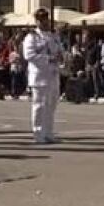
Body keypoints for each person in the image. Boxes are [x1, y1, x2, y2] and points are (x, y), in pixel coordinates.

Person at [23, 8, 63, 144]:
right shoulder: (32, 36)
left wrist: (61, 56)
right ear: (36, 21)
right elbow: (29, 55)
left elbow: (59, 50)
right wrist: (49, 59)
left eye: (45, 18)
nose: (43, 21)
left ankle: (49, 132)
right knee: (39, 106)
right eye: (40, 19)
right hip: (39, 76)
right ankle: (38, 133)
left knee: (51, 105)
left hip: (53, 74)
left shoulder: (53, 35)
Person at [8, 35, 27, 100]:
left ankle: (19, 92)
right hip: (14, 69)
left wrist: (21, 62)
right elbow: (10, 61)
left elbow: (23, 60)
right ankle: (14, 93)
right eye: (15, 47)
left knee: (20, 81)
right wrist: (14, 60)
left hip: (20, 69)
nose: (16, 48)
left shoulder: (21, 53)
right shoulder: (12, 54)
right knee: (14, 82)